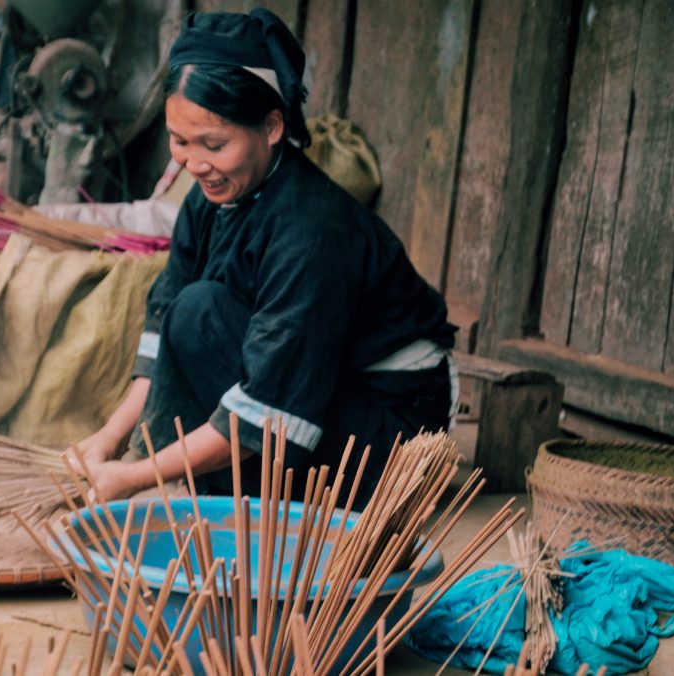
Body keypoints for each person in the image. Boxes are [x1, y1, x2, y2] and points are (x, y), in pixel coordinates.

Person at [75, 8, 457, 507]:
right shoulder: (208, 197)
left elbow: (274, 407)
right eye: (180, 141)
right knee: (192, 312)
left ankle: (256, 498)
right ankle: (227, 486)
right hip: (316, 382)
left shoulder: (312, 232)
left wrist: (133, 478)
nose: (194, 162)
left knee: (214, 336)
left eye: (214, 143)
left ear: (273, 126)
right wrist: (108, 438)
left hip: (389, 426)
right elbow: (168, 320)